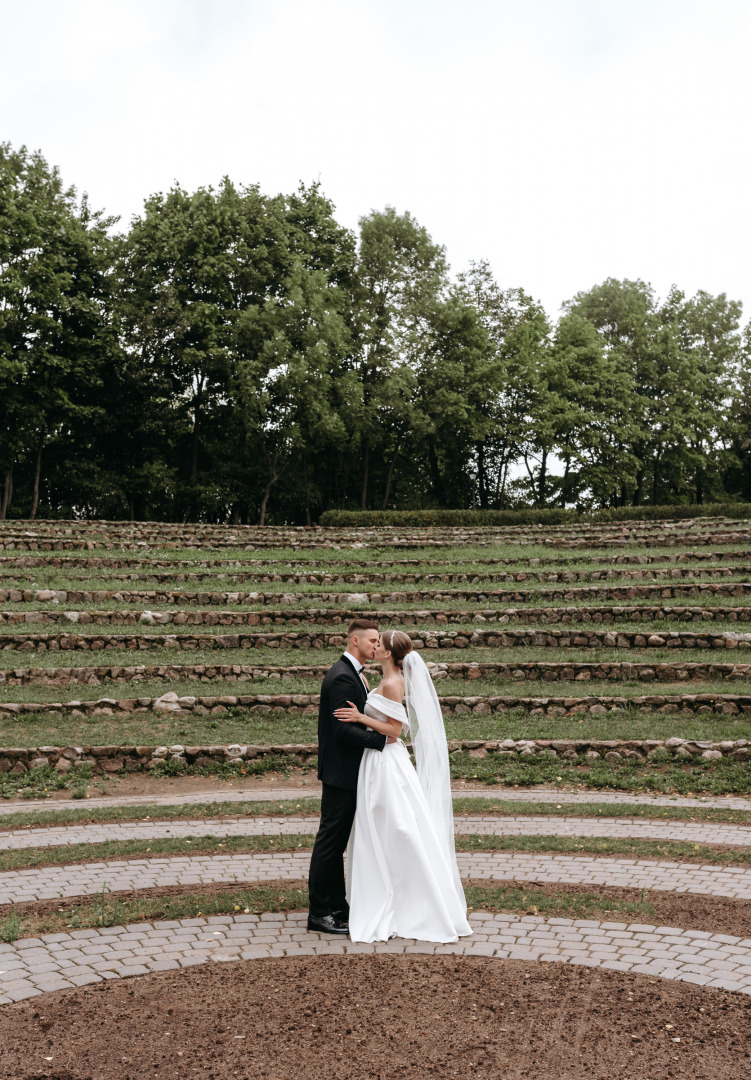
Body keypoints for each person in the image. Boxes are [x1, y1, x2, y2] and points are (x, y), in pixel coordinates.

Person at [334, 630, 472, 944]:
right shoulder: (384, 680)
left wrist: (359, 717)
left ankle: (406, 899)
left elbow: (395, 732)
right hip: (376, 761)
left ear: (387, 653)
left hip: (387, 762)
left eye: (377, 644)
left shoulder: (393, 683)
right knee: (382, 827)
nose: (374, 647)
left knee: (397, 826)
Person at [307, 618, 389, 935]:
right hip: (342, 772)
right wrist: (382, 741)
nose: (376, 645)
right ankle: (319, 912)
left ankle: (338, 906)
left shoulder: (352, 673)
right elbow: (342, 730)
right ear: (354, 641)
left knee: (336, 842)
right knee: (329, 843)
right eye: (372, 641)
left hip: (349, 771)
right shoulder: (342, 677)